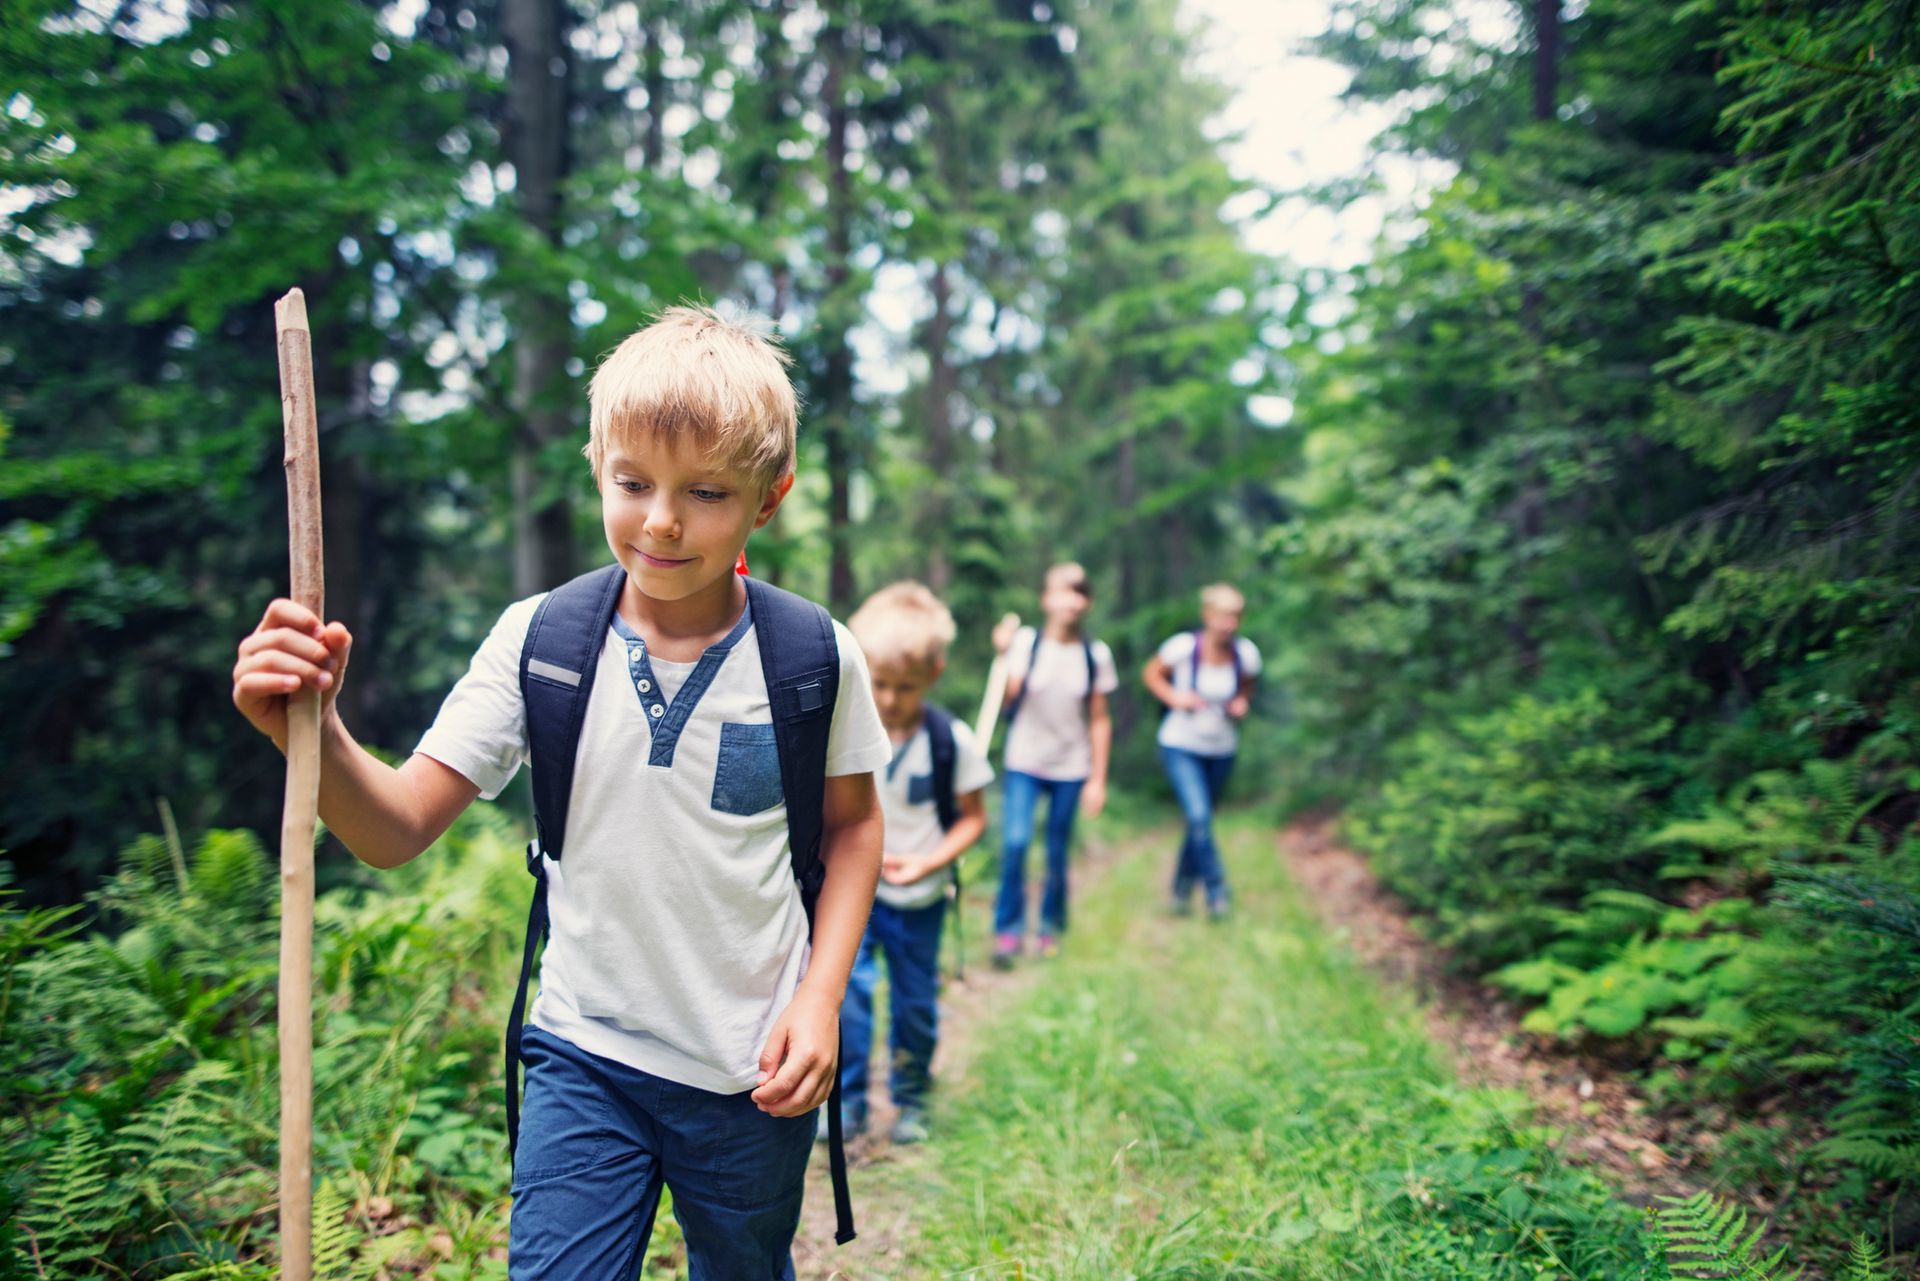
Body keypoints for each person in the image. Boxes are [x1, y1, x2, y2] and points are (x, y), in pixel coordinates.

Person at [230, 306, 891, 1278]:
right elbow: (396, 828)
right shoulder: (540, 643)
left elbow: (854, 829)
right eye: (634, 483)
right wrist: (311, 734)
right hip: (585, 1056)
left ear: (769, 498)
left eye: (705, 491)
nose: (661, 519)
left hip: (753, 1069)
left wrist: (821, 999)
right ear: (596, 466)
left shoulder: (810, 657)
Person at [836, 582, 992, 1145]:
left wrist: (930, 862)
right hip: (854, 896)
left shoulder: (952, 741)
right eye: (879, 684)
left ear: (934, 674)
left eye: (906, 687)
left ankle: (910, 1101)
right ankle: (847, 1102)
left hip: (920, 901)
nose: (892, 699)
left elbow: (973, 818)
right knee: (846, 998)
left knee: (915, 1004)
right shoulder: (844, 732)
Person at [989, 562, 1117, 966]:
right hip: (1025, 760)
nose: (1071, 600)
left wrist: (1097, 779)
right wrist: (1004, 655)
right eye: (1062, 590)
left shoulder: (1095, 655)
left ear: (1088, 602)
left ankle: (1049, 928)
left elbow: (1099, 718)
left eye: (1079, 591)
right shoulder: (1025, 643)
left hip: (1071, 767)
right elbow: (1007, 701)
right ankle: (1007, 931)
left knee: (1057, 851)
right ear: (1046, 599)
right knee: (1016, 843)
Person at [1141, 582, 1260, 920]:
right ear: (1208, 615)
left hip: (1222, 749)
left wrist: (1241, 703)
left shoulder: (1245, 654)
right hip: (1181, 745)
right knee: (1199, 817)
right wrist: (1176, 699)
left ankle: (1180, 888)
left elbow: (1248, 686)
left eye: (1235, 617)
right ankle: (1216, 892)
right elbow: (1151, 674)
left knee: (1200, 823)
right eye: (1223, 616)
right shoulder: (1183, 648)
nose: (1229, 624)